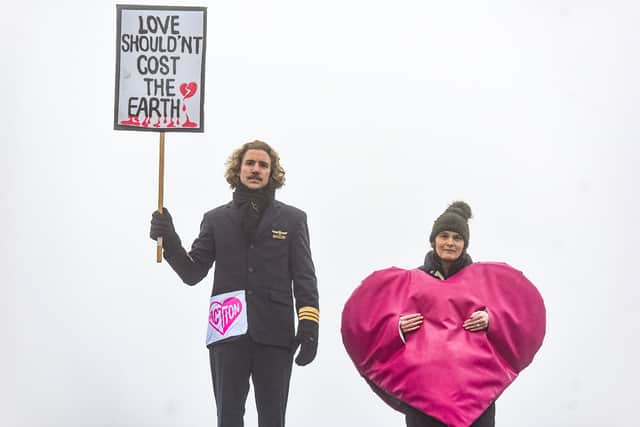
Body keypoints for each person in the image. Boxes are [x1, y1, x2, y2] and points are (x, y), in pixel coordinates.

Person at [149, 140, 320, 427]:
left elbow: (305, 277)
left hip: (276, 334)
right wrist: (170, 240)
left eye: (263, 165)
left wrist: (309, 325)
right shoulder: (215, 219)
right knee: (227, 418)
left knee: (273, 419)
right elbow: (192, 273)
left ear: (272, 172)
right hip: (227, 332)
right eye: (250, 163)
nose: (256, 169)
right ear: (238, 170)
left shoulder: (293, 219)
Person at [399, 201, 495, 427]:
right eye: (444, 236)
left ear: (465, 244)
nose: (450, 243)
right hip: (424, 389)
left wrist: (491, 319)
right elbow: (383, 322)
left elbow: (513, 319)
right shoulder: (412, 280)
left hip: (474, 390)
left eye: (457, 237)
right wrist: (398, 326)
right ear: (434, 241)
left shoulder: (482, 281)